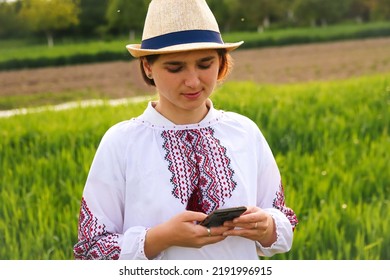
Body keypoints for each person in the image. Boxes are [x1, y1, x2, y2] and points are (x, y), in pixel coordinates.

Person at [73, 0, 298, 260]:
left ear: (221, 62)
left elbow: (283, 224)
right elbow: (91, 251)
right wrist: (160, 238)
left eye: (205, 65)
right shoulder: (122, 142)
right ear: (148, 66)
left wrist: (266, 226)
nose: (192, 81)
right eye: (175, 67)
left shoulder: (244, 132)